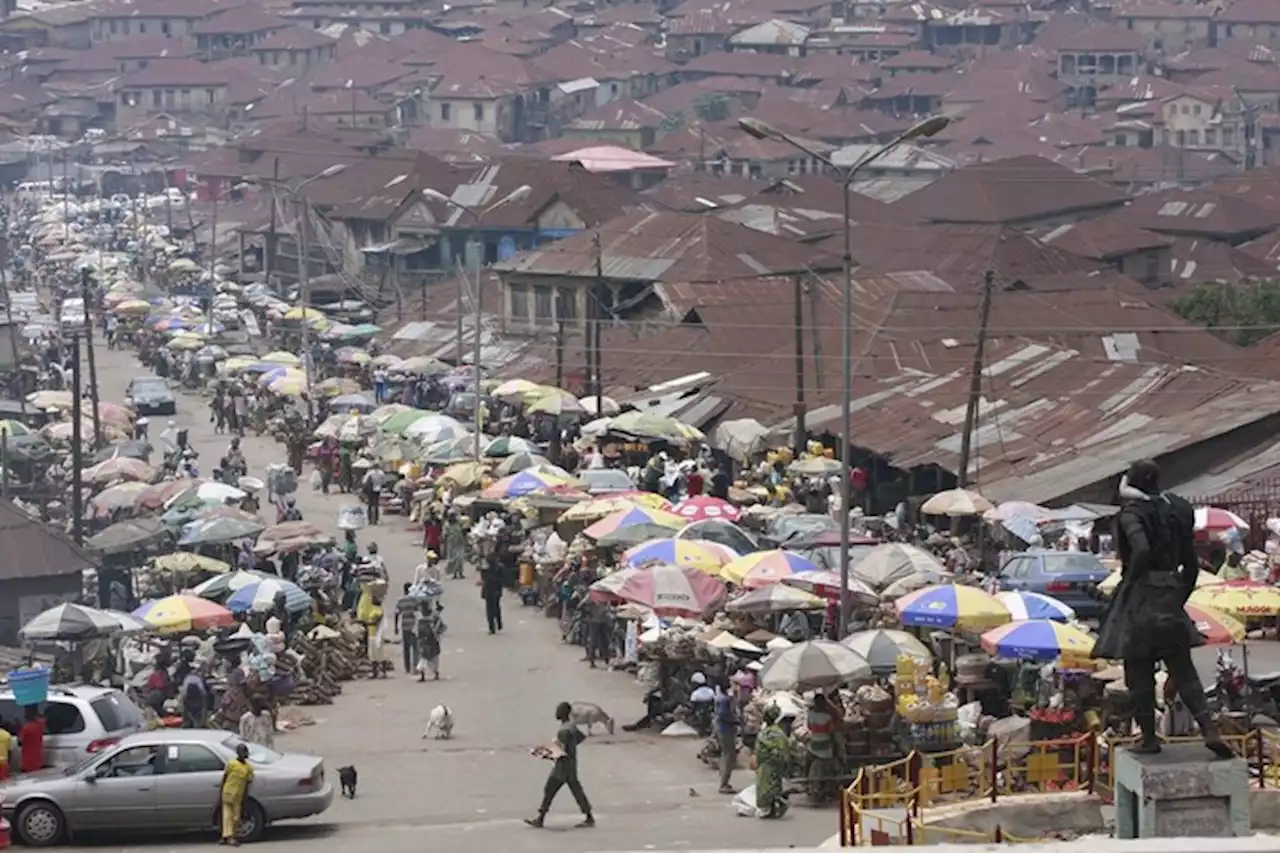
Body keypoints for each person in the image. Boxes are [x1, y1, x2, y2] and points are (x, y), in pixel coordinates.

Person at [1091, 459, 1232, 759]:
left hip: (1140, 597)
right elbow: (1191, 564)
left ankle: (1149, 738)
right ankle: (1208, 727)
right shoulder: (1177, 511)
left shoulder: (1132, 514)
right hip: (1170, 593)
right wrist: (1177, 596)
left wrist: (1130, 583)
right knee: (1183, 668)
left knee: (1138, 671)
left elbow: (1140, 549)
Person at [525, 701, 594, 829]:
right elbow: (580, 738)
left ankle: (540, 818)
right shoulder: (571, 726)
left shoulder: (563, 731)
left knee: (549, 789)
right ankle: (589, 816)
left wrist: (541, 753)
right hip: (571, 764)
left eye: (558, 710)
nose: (556, 713)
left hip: (562, 767)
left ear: (563, 713)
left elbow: (558, 751)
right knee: (577, 791)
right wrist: (571, 748)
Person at [753, 706, 792, 819]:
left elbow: (780, 749)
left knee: (769, 787)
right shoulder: (767, 730)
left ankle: (775, 807)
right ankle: (770, 808)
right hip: (764, 763)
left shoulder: (776, 732)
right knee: (765, 787)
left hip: (771, 763)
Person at [219, 742, 254, 845]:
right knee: (226, 816)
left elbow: (248, 784)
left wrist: (245, 798)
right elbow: (224, 778)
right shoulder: (231, 764)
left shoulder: (248, 768)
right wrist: (221, 791)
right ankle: (228, 837)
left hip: (238, 796)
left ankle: (230, 835)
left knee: (236, 817)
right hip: (227, 793)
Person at [714, 682, 737, 794]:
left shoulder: (721, 698)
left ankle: (724, 781)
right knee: (728, 755)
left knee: (726, 754)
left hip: (722, 728)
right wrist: (734, 720)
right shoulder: (725, 700)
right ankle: (724, 783)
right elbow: (722, 714)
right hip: (725, 729)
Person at [396, 583, 420, 675]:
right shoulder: (415, 600)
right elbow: (418, 612)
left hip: (404, 626)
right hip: (413, 626)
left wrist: (396, 627)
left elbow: (397, 614)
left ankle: (407, 667)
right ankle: (415, 666)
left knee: (406, 648)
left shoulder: (400, 601)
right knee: (415, 647)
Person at [417, 602, 443, 682]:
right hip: (432, 641)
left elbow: (417, 631)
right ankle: (435, 673)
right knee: (434, 658)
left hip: (425, 641)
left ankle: (423, 675)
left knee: (423, 658)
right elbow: (440, 628)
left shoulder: (421, 620)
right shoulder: (434, 618)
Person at [18, 705, 43, 773]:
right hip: (37, 762)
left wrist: (18, 730)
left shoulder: (26, 728)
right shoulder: (40, 724)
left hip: (27, 763)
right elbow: (43, 718)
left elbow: (20, 742)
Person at [481, 564, 504, 634]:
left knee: (490, 609)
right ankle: (498, 622)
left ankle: (492, 627)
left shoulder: (486, 566)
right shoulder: (499, 566)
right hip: (496, 588)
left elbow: (483, 576)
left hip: (489, 588)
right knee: (496, 606)